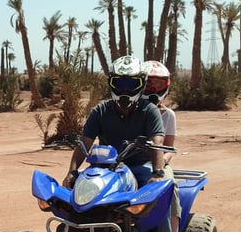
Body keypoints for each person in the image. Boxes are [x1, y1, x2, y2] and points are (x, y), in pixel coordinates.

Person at [63, 55, 168, 222]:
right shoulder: (100, 110)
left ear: (141, 85)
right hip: (104, 168)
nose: (125, 90)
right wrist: (72, 172)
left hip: (139, 166)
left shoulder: (149, 111)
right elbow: (85, 142)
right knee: (74, 197)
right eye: (119, 83)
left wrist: (157, 173)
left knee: (160, 198)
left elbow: (157, 142)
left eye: (132, 84)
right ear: (110, 83)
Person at [144, 60, 187, 232]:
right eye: (148, 83)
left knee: (170, 187)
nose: (153, 89)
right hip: (131, 161)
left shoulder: (168, 115)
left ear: (166, 87)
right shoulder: (135, 112)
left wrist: (161, 164)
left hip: (160, 163)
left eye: (158, 84)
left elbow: (169, 147)